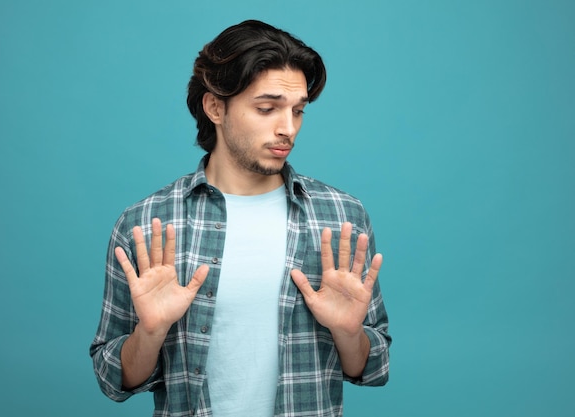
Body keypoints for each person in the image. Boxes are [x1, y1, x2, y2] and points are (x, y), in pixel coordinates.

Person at [90, 19, 391, 417]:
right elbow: (113, 379)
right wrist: (150, 332)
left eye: (298, 111)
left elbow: (373, 367)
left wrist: (349, 332)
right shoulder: (146, 224)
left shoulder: (341, 217)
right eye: (267, 108)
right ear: (215, 106)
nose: (288, 129)